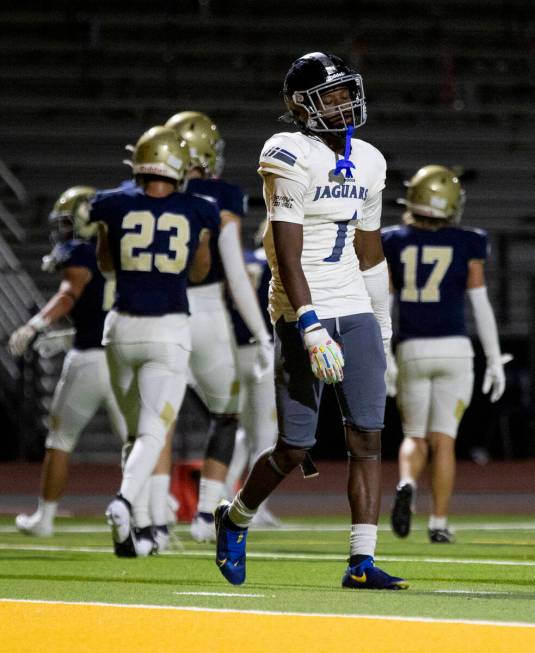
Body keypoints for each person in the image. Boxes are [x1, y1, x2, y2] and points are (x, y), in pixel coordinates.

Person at [213, 52, 408, 590]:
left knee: (368, 437)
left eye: (348, 91)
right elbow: (286, 255)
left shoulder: (369, 158)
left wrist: (382, 328)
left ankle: (361, 563)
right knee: (295, 447)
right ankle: (234, 517)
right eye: (333, 94)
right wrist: (310, 324)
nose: (345, 102)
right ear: (302, 104)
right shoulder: (287, 153)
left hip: (355, 307)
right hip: (302, 309)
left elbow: (370, 254)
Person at [90, 126, 220, 556]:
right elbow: (199, 272)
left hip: (121, 328)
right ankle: (126, 502)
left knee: (133, 435)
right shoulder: (199, 208)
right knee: (152, 432)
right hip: (167, 329)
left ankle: (142, 531)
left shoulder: (111, 203)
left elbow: (107, 264)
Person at [382, 165, 510, 543]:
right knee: (444, 441)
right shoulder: (468, 241)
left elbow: (383, 302)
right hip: (455, 349)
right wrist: (495, 356)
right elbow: (480, 303)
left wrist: (384, 352)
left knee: (414, 436)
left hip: (411, 348)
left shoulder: (393, 240)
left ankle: (407, 482)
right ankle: (438, 523)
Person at [165, 111, 274, 542]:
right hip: (207, 311)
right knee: (226, 414)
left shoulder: (141, 195)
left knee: (156, 419)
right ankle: (207, 515)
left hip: (155, 312)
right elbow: (232, 270)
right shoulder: (220, 196)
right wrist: (262, 333)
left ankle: (148, 515)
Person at [9, 186, 127, 536]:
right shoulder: (119, 252)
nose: (63, 231)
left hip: (90, 360)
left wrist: (34, 325)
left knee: (60, 441)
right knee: (138, 442)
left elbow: (69, 294)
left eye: (67, 223)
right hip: (122, 360)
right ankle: (154, 512)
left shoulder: (80, 254)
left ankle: (44, 518)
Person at [223, 221, 280, 527]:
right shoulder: (278, 264)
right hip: (263, 351)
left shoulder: (240, 259)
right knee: (264, 435)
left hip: (231, 352)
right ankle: (254, 507)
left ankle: (220, 495)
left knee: (237, 430)